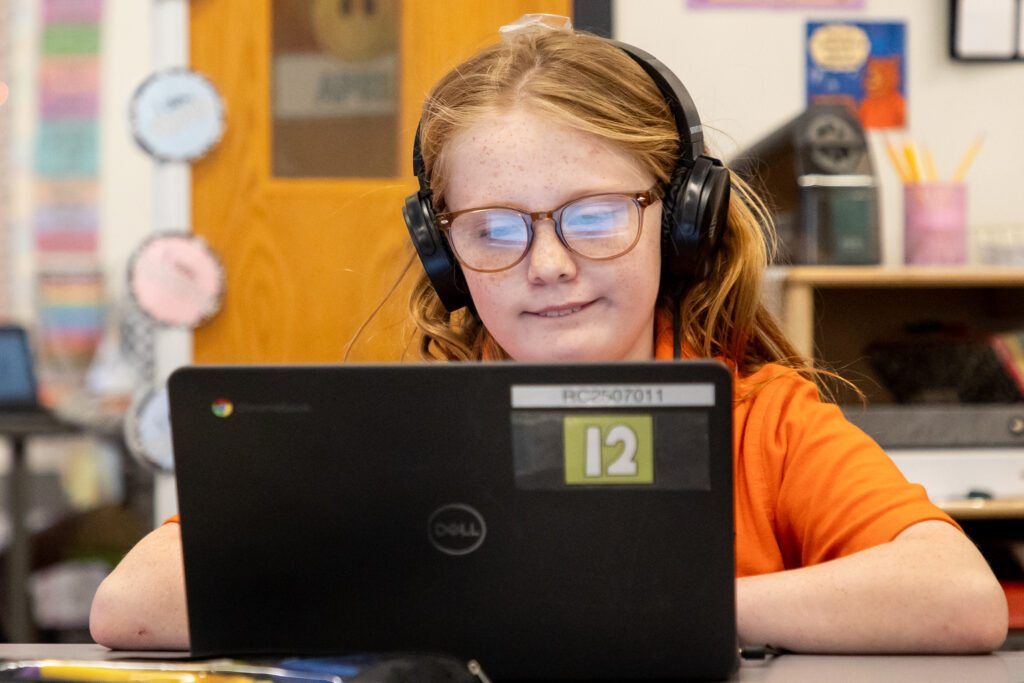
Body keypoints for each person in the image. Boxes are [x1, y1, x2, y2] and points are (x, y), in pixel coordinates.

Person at [90, 18, 1008, 654]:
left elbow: (959, 597)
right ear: (442, 255)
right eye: (493, 229)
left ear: (680, 222)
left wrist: (654, 610)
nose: (549, 265)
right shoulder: (388, 431)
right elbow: (131, 605)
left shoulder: (762, 421)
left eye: (596, 215)